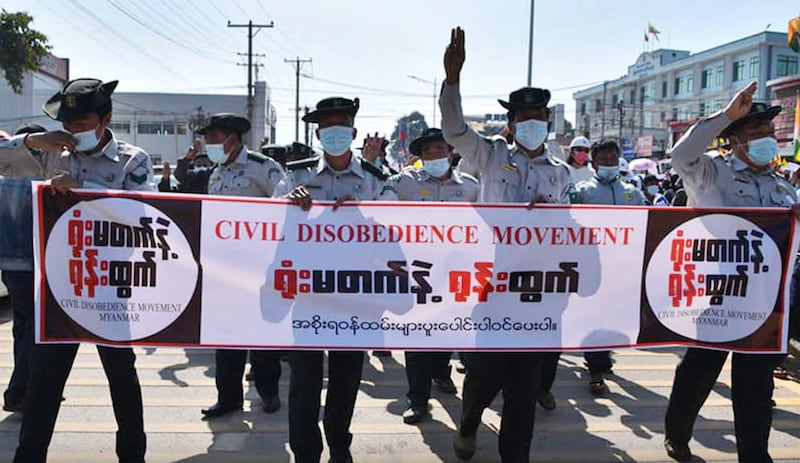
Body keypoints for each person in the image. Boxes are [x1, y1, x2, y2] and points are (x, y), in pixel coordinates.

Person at [0, 78, 151, 463]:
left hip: (110, 288)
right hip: (57, 287)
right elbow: (2, 158)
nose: (73, 132)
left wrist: (80, 191)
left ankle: (132, 456)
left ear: (106, 119)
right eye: (68, 124)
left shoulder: (134, 160)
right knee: (44, 383)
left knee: (122, 379)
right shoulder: (52, 153)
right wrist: (34, 143)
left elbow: (141, 215)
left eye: (82, 124)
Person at [440, 27, 570, 463]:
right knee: (484, 374)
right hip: (493, 287)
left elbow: (568, 225)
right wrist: (453, 80)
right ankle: (470, 420)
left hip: (538, 290)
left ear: (547, 123)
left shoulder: (560, 172)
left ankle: (516, 455)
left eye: (539, 116)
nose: (532, 123)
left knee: (525, 385)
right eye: (524, 116)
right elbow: (455, 131)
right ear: (511, 123)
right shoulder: (491, 154)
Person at [663, 81, 797, 463]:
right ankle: (678, 433)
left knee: (755, 386)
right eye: (757, 134)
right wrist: (725, 115)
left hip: (764, 304)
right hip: (714, 298)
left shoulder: (783, 187)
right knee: (697, 374)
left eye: (770, 134)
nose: (767, 140)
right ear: (734, 141)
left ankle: (755, 455)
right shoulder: (710, 173)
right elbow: (680, 155)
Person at [277, 96, 397, 463]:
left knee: (346, 380)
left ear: (354, 131)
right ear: (317, 133)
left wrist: (362, 216)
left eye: (341, 125)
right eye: (327, 126)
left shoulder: (377, 182)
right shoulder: (296, 175)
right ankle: (305, 453)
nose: (334, 133)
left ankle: (339, 446)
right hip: (308, 294)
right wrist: (286, 205)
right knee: (304, 383)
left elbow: (396, 230)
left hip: (356, 296)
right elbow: (267, 225)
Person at [196, 113, 286, 419]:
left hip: (260, 266)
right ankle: (229, 397)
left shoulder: (263, 167)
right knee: (227, 335)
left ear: (231, 138)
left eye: (212, 138)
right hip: (225, 269)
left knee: (263, 335)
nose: (207, 144)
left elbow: (284, 200)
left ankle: (269, 393)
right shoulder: (216, 172)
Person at [390, 128, 478, 424]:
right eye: (427, 153)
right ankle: (417, 400)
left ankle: (442, 373)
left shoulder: (470, 187)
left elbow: (491, 220)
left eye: (439, 150)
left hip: (456, 273)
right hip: (418, 272)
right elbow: (379, 202)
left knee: (448, 331)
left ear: (451, 152)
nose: (434, 156)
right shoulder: (405, 183)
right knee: (416, 337)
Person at [575, 140, 645, 394]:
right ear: (594, 163)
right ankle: (595, 366)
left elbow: (646, 222)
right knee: (594, 314)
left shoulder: (632, 193)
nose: (608, 163)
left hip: (622, 266)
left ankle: (602, 356)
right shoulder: (582, 191)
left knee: (612, 315)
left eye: (612, 159)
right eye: (603, 160)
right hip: (591, 264)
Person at [0, 124, 47, 414]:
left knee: (23, 328)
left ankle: (25, 390)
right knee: (35, 331)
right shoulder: (39, 179)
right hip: (34, 264)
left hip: (10, 265)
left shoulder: (5, 177)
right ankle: (21, 392)